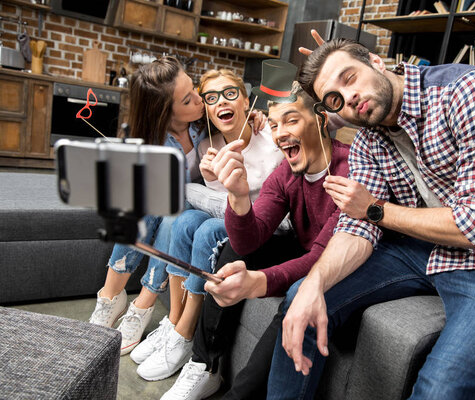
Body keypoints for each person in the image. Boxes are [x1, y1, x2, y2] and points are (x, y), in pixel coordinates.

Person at [266, 38, 475, 400]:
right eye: (336, 97)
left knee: (440, 389)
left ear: (377, 60)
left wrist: (375, 208)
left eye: (350, 76)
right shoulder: (368, 140)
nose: (351, 96)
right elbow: (357, 225)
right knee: (301, 299)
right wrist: (313, 283)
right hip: (422, 247)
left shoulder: (470, 91)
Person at [160, 81, 350, 400]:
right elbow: (249, 241)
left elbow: (322, 256)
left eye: (291, 120)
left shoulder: (351, 168)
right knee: (234, 249)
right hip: (307, 249)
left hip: (339, 259)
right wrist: (237, 196)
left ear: (319, 119)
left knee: (297, 293)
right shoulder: (286, 172)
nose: (280, 133)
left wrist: (258, 282)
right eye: (274, 124)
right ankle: (205, 365)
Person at [88, 58, 265, 357]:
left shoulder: (204, 121)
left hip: (200, 206)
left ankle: (142, 304)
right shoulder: (153, 143)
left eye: (196, 91)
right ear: (165, 111)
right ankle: (109, 297)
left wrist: (256, 114)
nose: (199, 100)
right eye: (188, 100)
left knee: (174, 212)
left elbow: (234, 112)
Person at [133, 68, 284, 381]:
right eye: (210, 98)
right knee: (184, 219)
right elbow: (221, 207)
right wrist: (210, 178)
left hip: (271, 226)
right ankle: (176, 325)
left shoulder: (272, 132)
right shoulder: (207, 147)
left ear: (246, 100)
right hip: (234, 217)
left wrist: (265, 117)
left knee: (207, 228)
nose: (220, 102)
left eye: (230, 94)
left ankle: (186, 334)